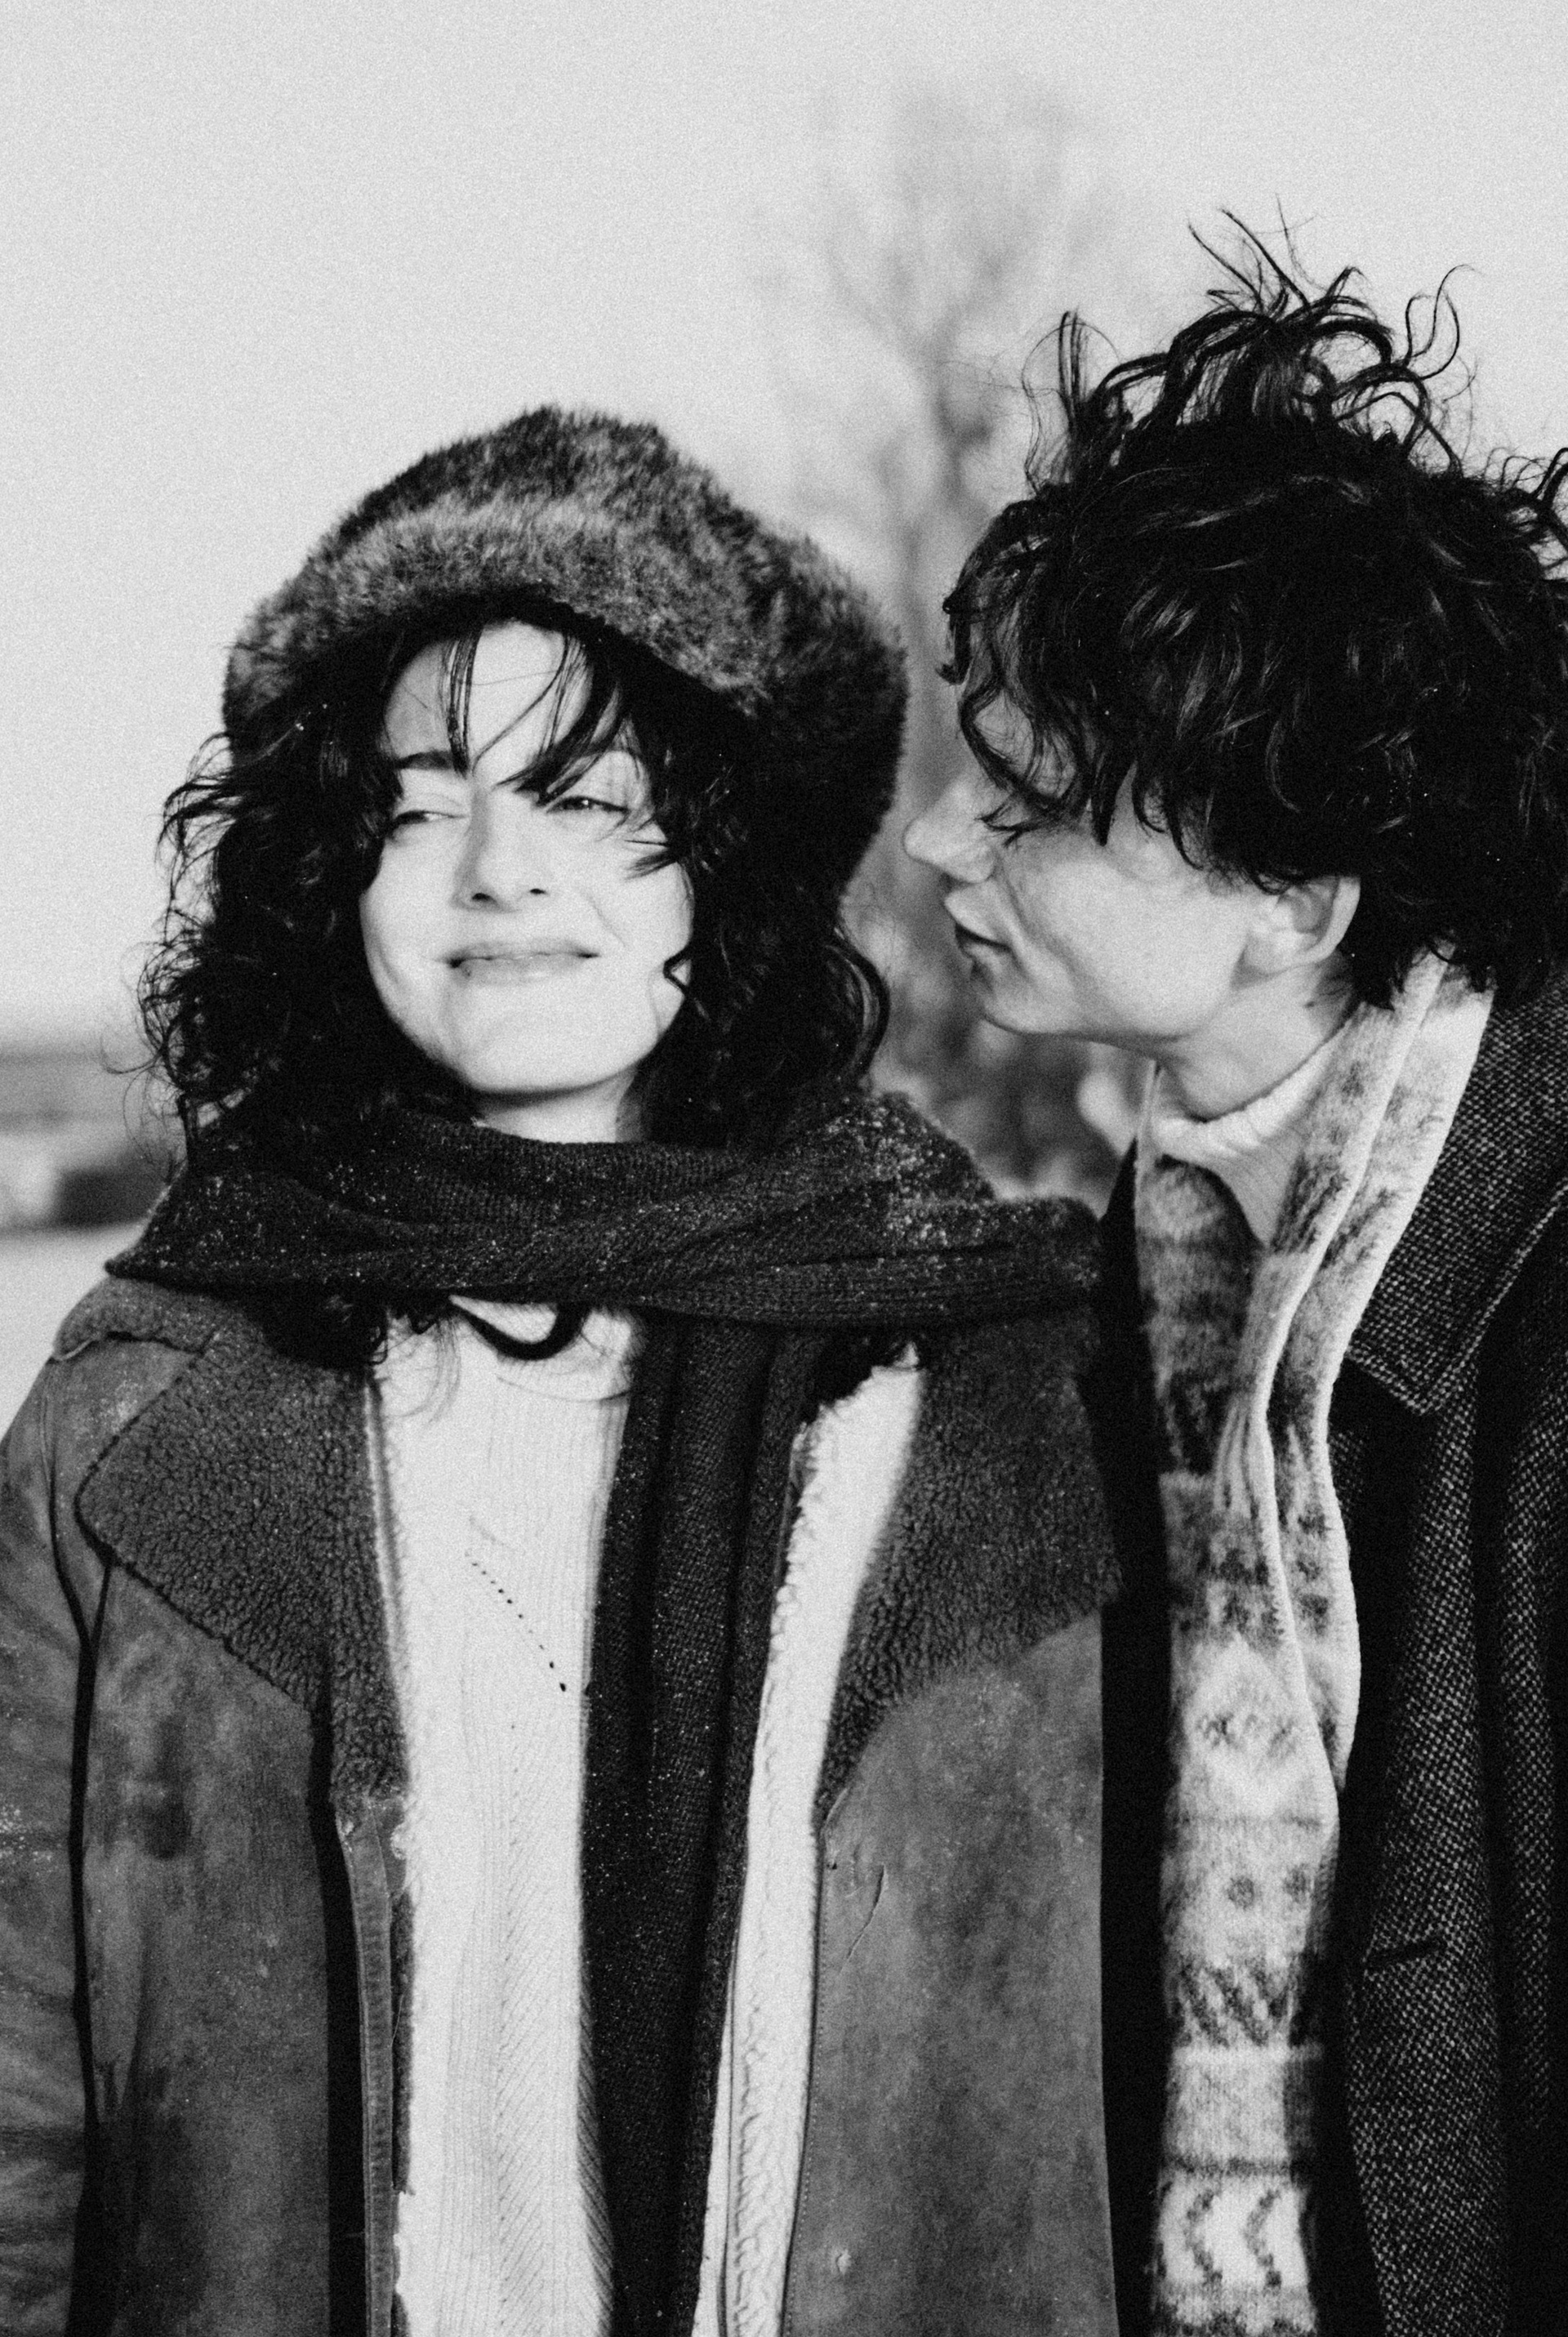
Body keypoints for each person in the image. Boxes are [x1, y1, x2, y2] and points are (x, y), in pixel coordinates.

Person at [0, 407, 1122, 2337]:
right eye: (417, 803)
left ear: (729, 867)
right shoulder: (142, 1405)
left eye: (588, 797)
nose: (495, 874)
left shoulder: (1013, 1381)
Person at [906, 248, 1568, 2337]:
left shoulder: (1534, 1298)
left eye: (1031, 802)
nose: (942, 844)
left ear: (1293, 895)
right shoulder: (1148, 1274)